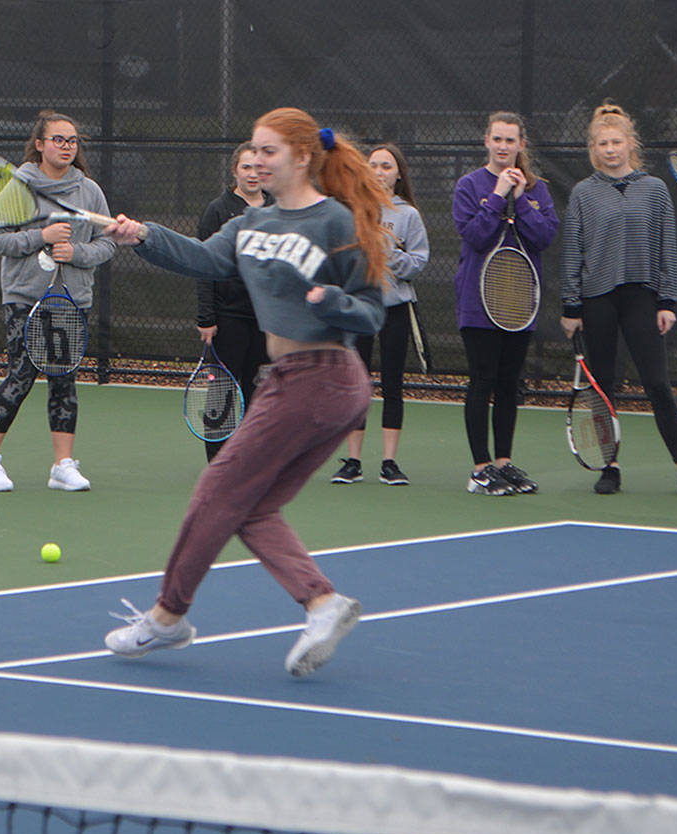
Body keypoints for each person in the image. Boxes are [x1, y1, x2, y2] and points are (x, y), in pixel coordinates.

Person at [101, 107, 389, 676]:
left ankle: (166, 617)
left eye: (269, 151)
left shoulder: (335, 221)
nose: (256, 160)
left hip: (325, 375)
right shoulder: (251, 224)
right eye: (252, 150)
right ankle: (321, 602)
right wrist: (143, 236)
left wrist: (331, 302)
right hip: (292, 380)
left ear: (303, 157)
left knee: (214, 492)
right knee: (250, 505)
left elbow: (372, 312)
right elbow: (204, 258)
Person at [559, 102, 677, 497]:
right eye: (603, 143)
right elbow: (573, 250)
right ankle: (610, 466)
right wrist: (571, 307)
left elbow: (666, 249)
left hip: (642, 297)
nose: (610, 149)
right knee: (604, 385)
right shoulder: (583, 194)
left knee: (657, 382)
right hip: (597, 299)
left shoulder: (655, 190)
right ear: (593, 148)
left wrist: (668, 302)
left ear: (630, 144)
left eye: (617, 142)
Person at [0, 111, 117, 492]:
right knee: (21, 375)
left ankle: (63, 465)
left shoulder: (90, 191)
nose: (66, 146)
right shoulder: (17, 189)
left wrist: (76, 253)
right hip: (25, 298)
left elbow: (109, 241)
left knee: (64, 380)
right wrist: (41, 235)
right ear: (39, 144)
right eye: (58, 140)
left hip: (71, 300)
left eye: (72, 141)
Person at [452, 112, 558, 496]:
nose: (502, 146)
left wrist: (520, 197)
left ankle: (503, 463)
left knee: (509, 385)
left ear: (521, 145)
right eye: (497, 139)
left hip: (519, 305)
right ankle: (481, 468)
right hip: (477, 303)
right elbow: (476, 236)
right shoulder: (468, 186)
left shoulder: (537, 189)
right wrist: (497, 194)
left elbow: (544, 236)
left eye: (510, 140)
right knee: (483, 381)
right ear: (486, 141)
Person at [332, 143, 430, 485]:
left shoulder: (408, 216)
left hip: (395, 309)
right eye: (373, 165)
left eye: (386, 166)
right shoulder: (352, 210)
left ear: (398, 174)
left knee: (392, 383)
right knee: (354, 385)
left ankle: (389, 462)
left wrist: (390, 254)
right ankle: (353, 461)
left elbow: (418, 261)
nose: (379, 171)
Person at [195, 141, 272, 462]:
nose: (252, 175)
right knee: (223, 388)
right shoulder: (217, 210)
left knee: (260, 390)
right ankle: (218, 459)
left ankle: (252, 457)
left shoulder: (278, 208)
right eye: (246, 168)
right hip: (228, 318)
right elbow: (202, 264)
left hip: (267, 319)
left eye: (258, 168)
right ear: (234, 171)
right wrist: (206, 317)